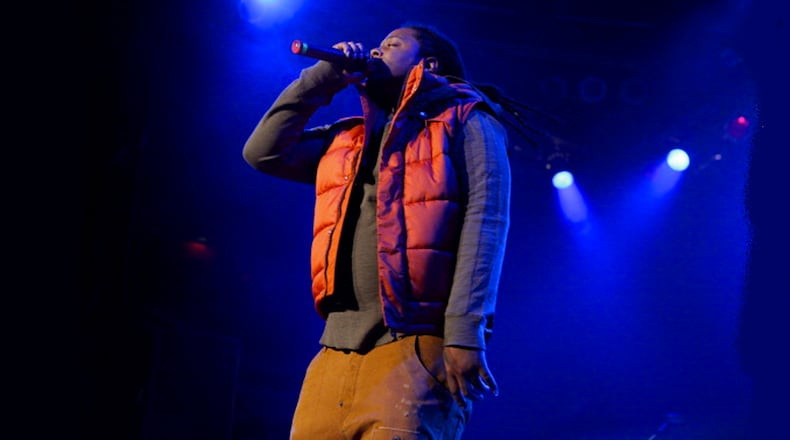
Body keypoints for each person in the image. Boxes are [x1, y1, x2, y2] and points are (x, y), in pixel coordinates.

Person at [243, 22, 514, 439]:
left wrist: (464, 332)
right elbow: (263, 152)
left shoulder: (468, 120)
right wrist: (322, 78)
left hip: (414, 347)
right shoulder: (348, 137)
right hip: (335, 349)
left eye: (391, 45)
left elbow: (486, 225)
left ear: (427, 63)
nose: (374, 50)